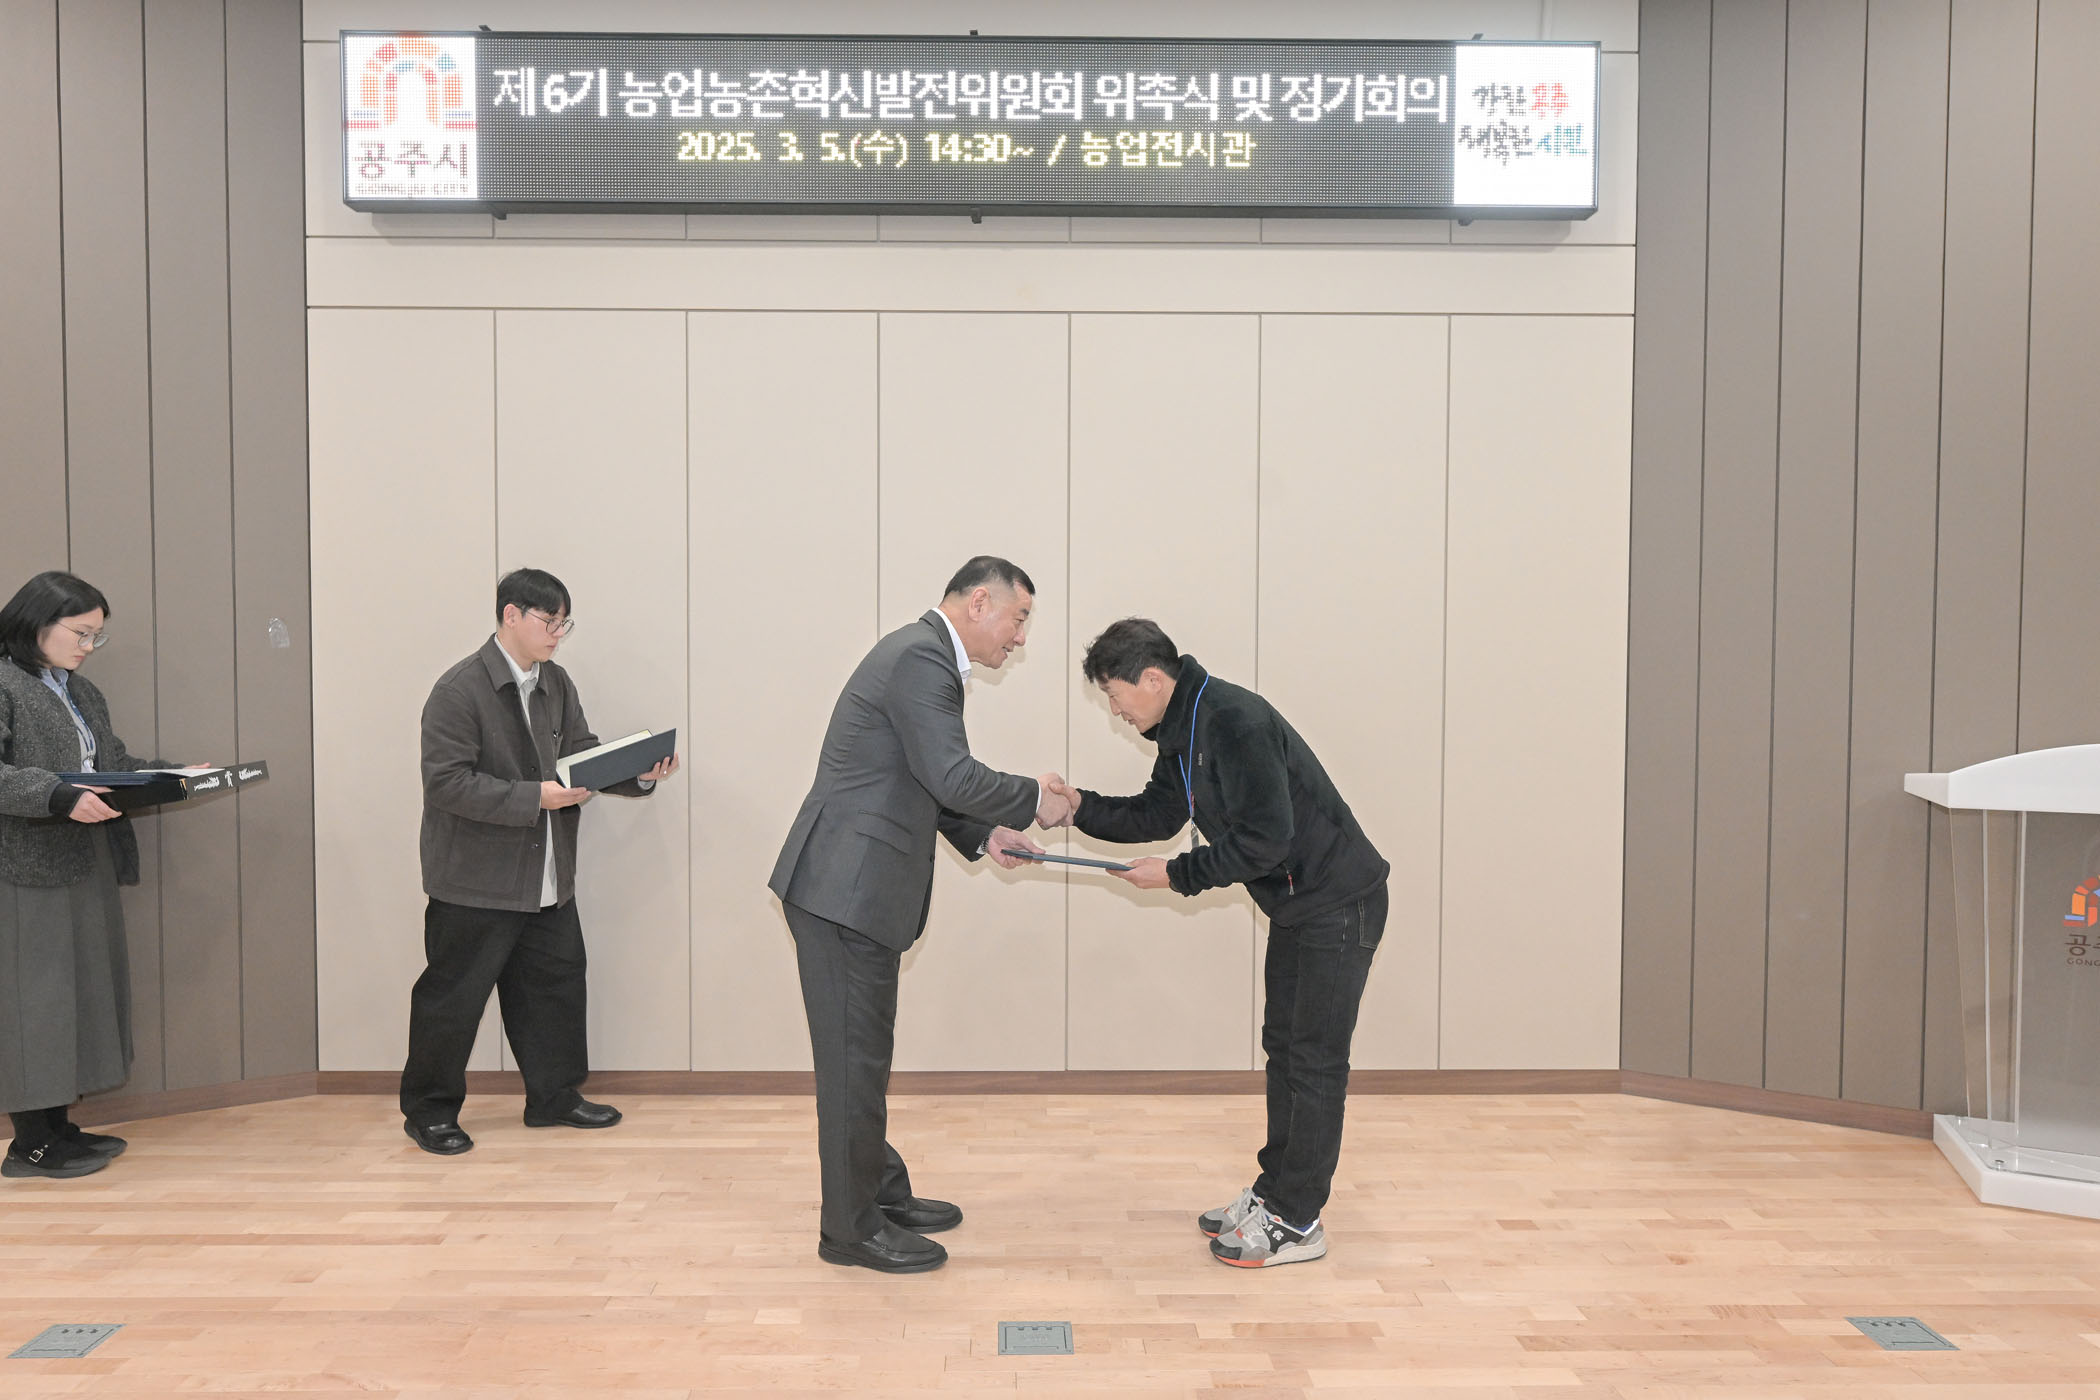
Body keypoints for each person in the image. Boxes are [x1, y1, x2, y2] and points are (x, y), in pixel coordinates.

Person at [1049, 617, 1390, 1268]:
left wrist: (1178, 875)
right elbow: (1157, 813)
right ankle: (1275, 1193)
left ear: (1154, 679)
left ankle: (1298, 1220)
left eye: (1116, 695)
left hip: (1338, 904)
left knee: (1313, 1062)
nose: (1116, 711)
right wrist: (1079, 807)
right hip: (1300, 907)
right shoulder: (1183, 729)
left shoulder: (1233, 721)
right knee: (1285, 1050)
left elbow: (1267, 839)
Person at [770, 556, 1069, 1273]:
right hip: (844, 891)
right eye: (1019, 618)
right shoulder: (921, 660)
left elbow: (919, 779)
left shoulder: (921, 655)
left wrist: (984, 834)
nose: (1020, 638)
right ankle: (850, 1230)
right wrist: (1034, 797)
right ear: (978, 602)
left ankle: (877, 1191)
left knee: (861, 1056)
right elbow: (952, 775)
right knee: (854, 1063)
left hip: (849, 888)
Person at [399, 568, 679, 1155]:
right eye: (549, 622)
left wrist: (637, 773)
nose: (557, 634)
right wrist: (535, 798)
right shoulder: (459, 690)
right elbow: (446, 784)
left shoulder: (556, 682)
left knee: (554, 989)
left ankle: (553, 1097)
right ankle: (430, 1112)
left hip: (547, 876)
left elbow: (579, 757)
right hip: (475, 883)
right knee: (453, 1001)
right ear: (510, 615)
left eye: (563, 624)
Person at [0, 571, 164, 1180]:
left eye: (97, 636)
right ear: (36, 622)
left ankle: (57, 1128)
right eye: (81, 633)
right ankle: (31, 1144)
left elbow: (111, 766)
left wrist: (177, 777)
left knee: (79, 994)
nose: (89, 647)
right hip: (23, 867)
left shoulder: (81, 690)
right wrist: (56, 795)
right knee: (34, 1001)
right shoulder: (4, 683)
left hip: (84, 861)